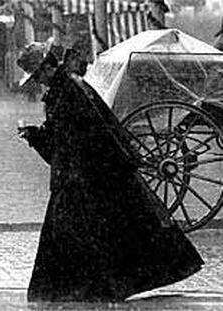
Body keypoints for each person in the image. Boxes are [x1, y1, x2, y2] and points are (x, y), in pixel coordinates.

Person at [16, 49, 204, 302]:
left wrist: (46, 142)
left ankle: (71, 290)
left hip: (86, 174)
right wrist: (37, 136)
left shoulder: (70, 91)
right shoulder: (65, 90)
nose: (39, 82)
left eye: (38, 76)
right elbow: (65, 135)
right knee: (94, 231)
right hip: (80, 173)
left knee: (82, 231)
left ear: (48, 69)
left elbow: (83, 134)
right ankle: (79, 289)